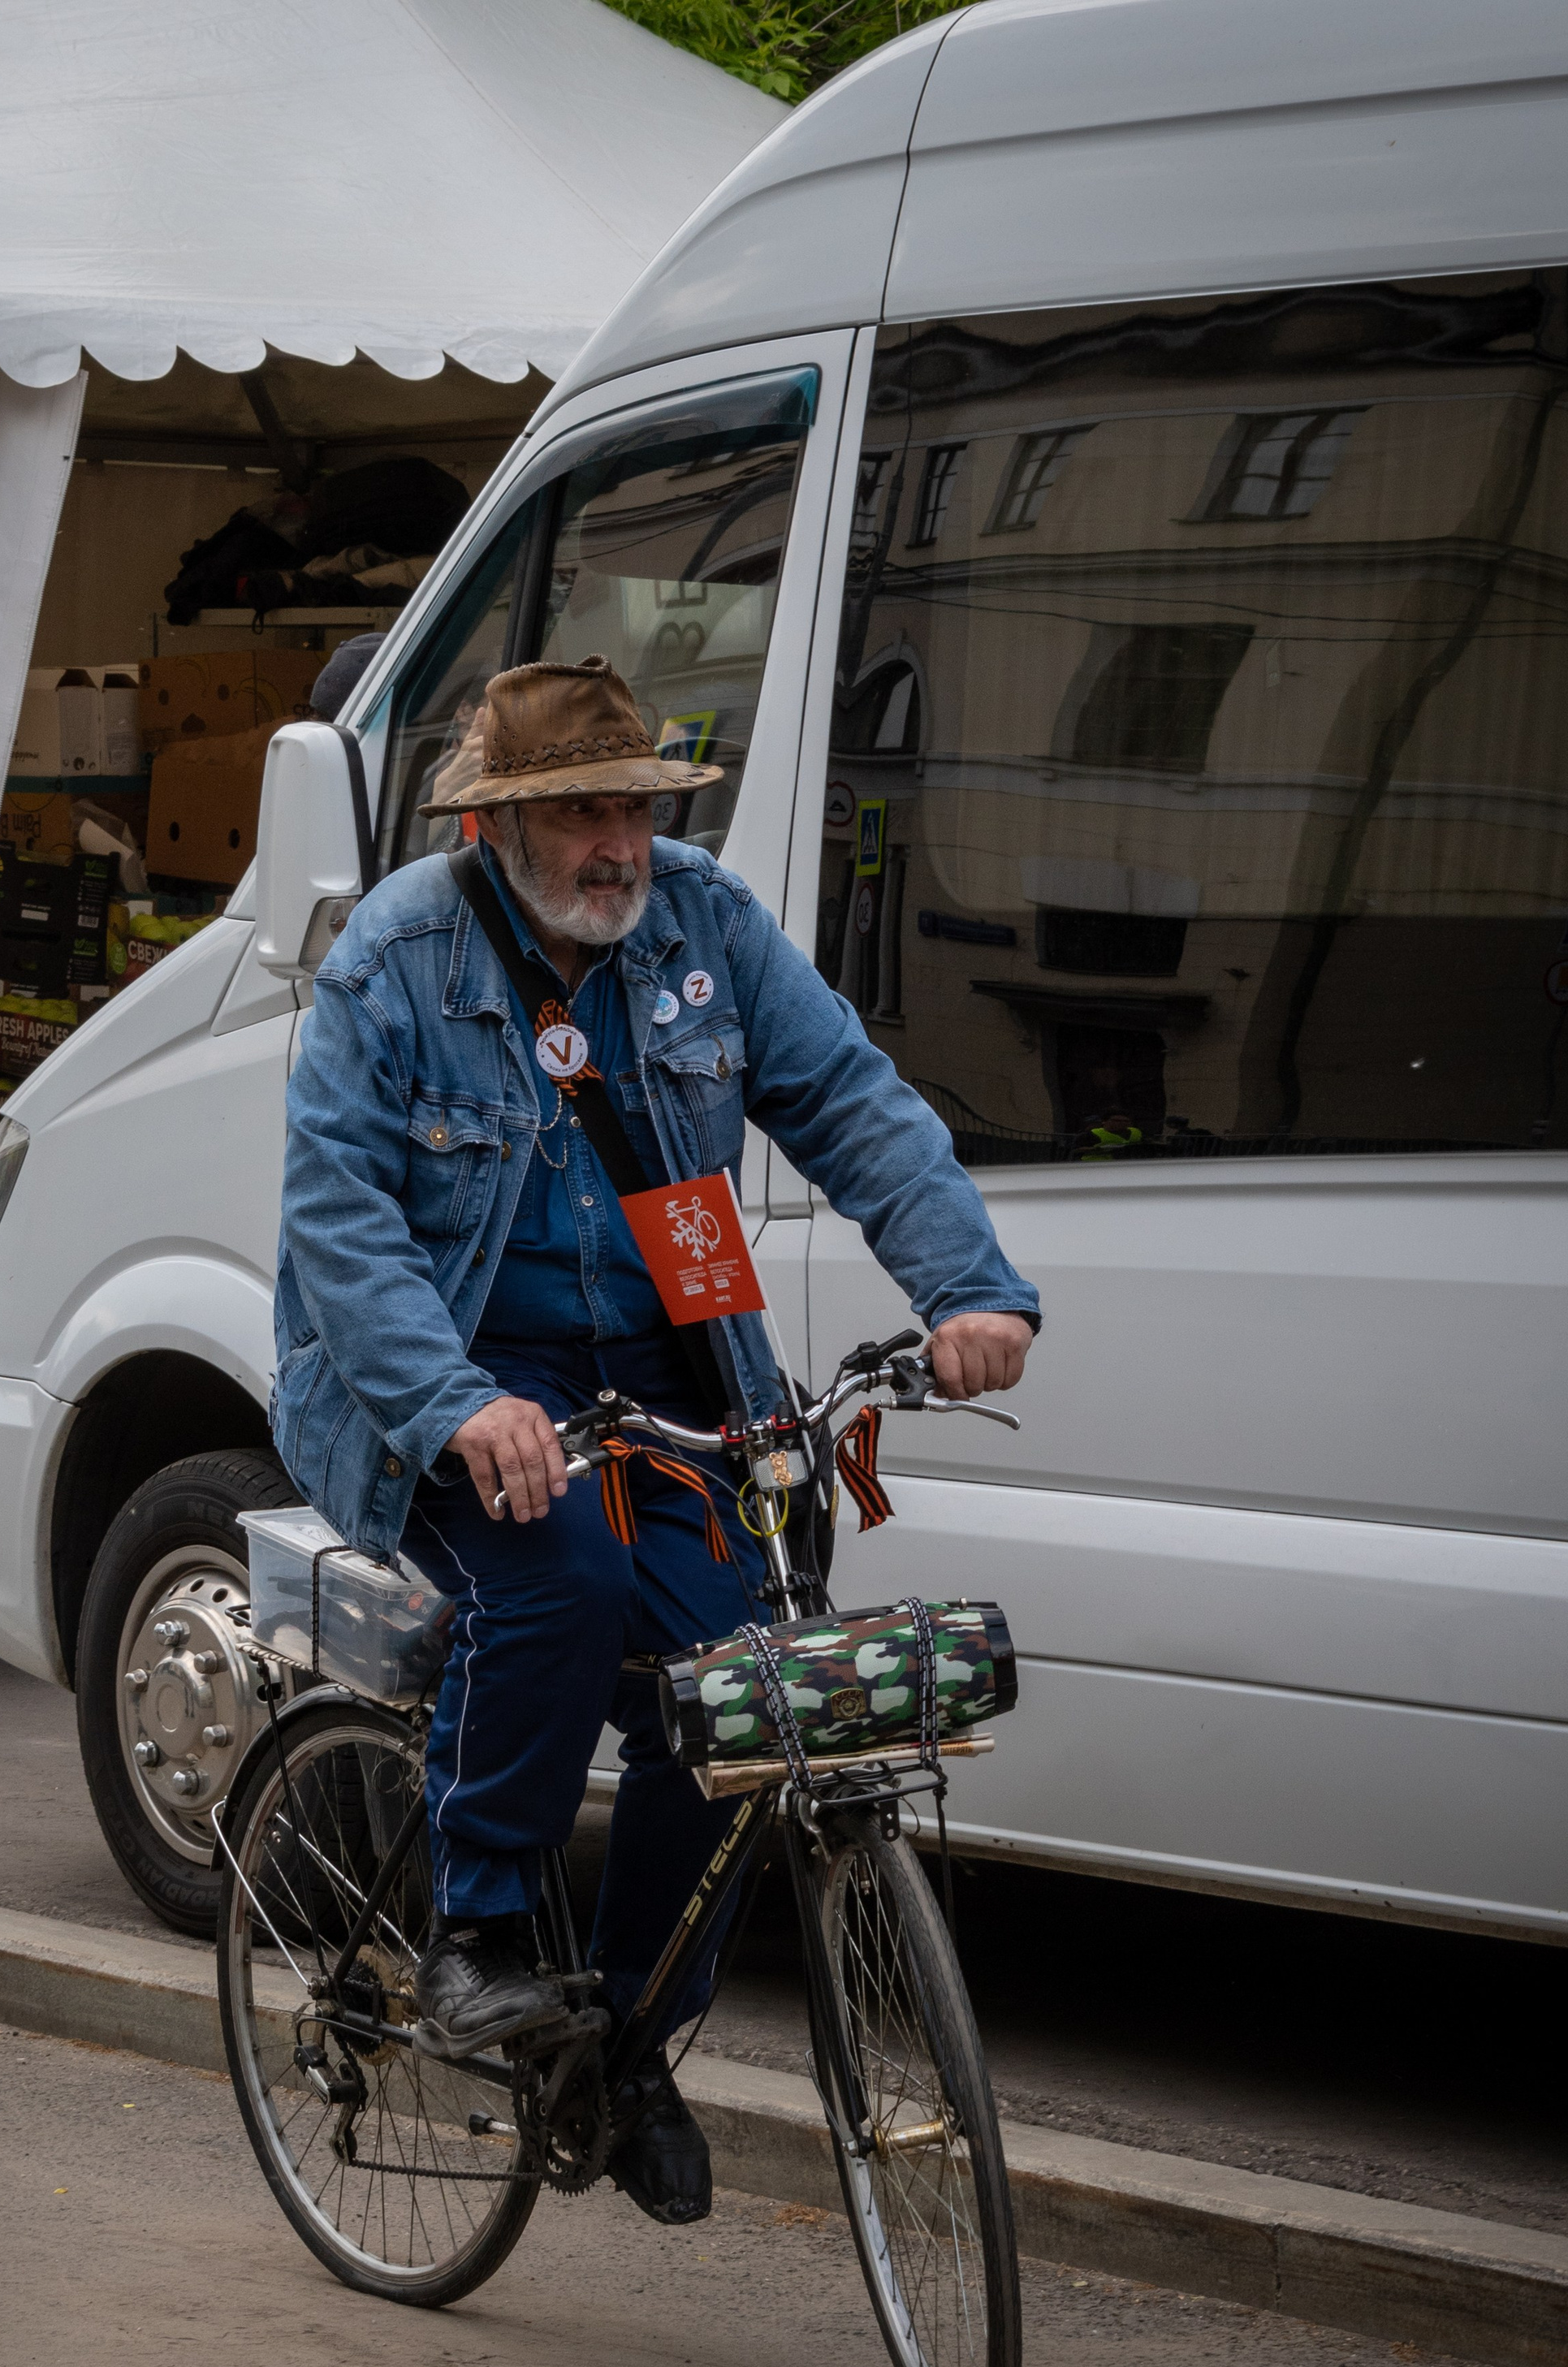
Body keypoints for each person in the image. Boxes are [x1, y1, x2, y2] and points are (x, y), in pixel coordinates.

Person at [273, 655, 1039, 2223]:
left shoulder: (706, 924)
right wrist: (458, 1404)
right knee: (558, 1574)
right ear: (499, 826)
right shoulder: (395, 963)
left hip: (668, 1356)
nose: (621, 841)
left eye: (636, 804)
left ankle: (624, 2040)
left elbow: (854, 1102)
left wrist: (969, 1282)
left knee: (744, 1684)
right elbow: (341, 1228)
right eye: (583, 813)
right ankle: (479, 1928)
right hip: (442, 1355)